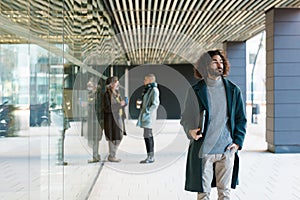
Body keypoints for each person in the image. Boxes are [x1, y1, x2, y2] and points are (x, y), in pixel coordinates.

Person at [180, 50, 247, 199]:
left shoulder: (233, 90)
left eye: (221, 62)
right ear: (205, 65)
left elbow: (241, 118)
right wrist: (190, 131)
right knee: (203, 194)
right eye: (215, 61)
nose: (219, 65)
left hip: (226, 150)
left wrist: (237, 143)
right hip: (204, 151)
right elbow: (186, 117)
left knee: (225, 193)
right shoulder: (196, 91)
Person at [137, 74, 160, 164]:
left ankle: (151, 157)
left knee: (148, 136)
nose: (144, 81)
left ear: (150, 80)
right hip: (146, 116)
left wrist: (147, 111)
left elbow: (155, 104)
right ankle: (150, 156)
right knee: (147, 135)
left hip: (148, 117)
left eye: (145, 79)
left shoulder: (154, 90)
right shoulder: (148, 90)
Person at [103, 76, 127, 162]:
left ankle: (112, 154)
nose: (117, 84)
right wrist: (120, 104)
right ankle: (112, 155)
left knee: (119, 136)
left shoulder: (117, 93)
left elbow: (119, 104)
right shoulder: (106, 95)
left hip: (119, 117)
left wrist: (124, 103)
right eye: (116, 82)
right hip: (112, 119)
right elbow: (107, 108)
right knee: (113, 137)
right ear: (111, 84)